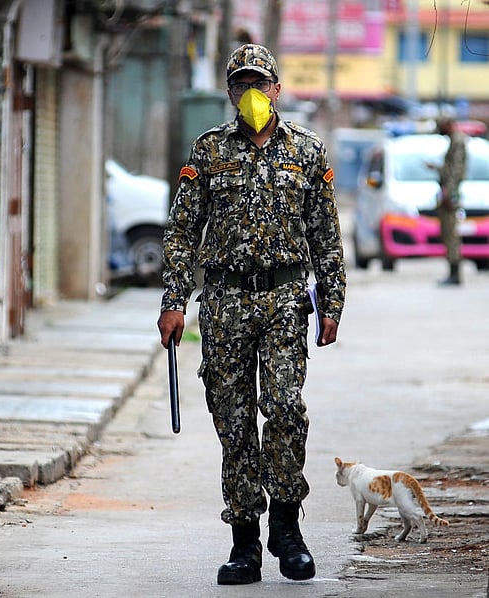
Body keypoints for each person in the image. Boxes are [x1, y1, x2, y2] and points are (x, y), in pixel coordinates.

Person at [156, 43, 346, 585]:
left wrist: (331, 304)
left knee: (284, 409)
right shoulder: (209, 150)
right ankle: (244, 541)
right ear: (230, 93)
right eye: (241, 85)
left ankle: (286, 527)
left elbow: (326, 236)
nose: (251, 93)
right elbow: (182, 233)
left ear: (277, 90)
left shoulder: (306, 151)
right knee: (233, 421)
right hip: (224, 303)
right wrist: (174, 301)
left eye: (259, 84)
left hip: (285, 300)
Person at [435, 116, 468, 285]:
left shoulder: (458, 141)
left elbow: (456, 169)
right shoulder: (454, 140)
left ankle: (455, 272)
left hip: (451, 193)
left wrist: (448, 192)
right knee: (447, 232)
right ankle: (452, 270)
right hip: (449, 190)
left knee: (451, 232)